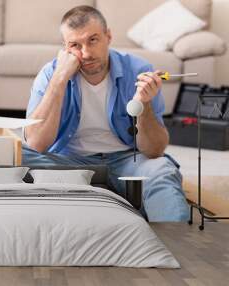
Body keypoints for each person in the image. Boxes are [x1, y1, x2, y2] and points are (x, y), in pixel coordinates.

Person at [23, 5, 189, 222]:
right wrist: (60, 78)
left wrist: (144, 106)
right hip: (71, 161)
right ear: (65, 48)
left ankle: (176, 244)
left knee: (161, 170)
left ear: (108, 36)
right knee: (20, 157)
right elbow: (36, 144)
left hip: (128, 160)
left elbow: (155, 150)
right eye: (75, 45)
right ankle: (119, 201)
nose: (86, 54)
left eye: (93, 40)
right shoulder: (50, 74)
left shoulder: (138, 70)